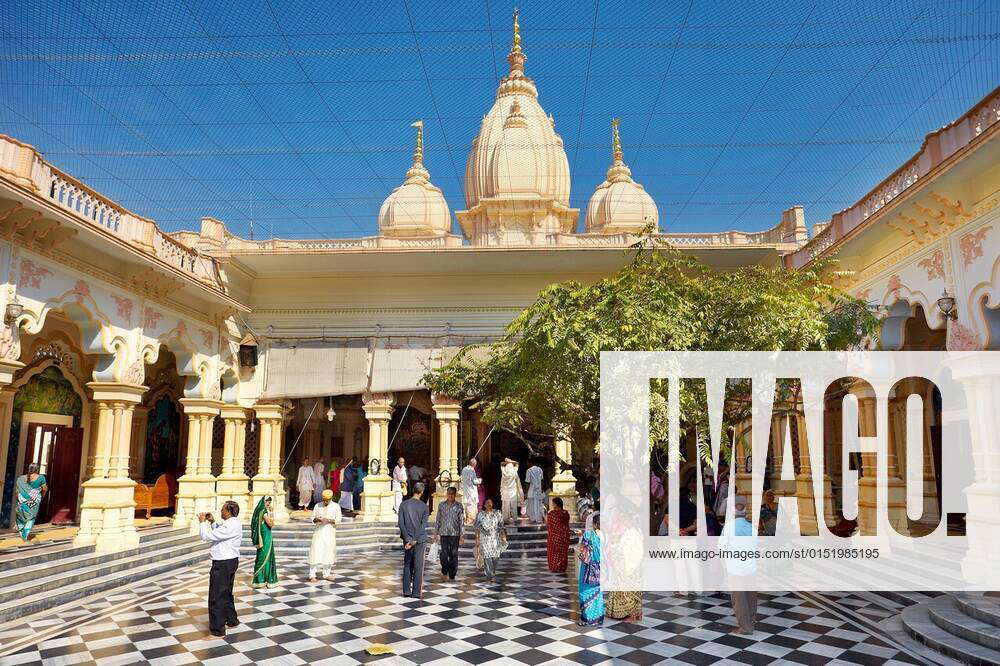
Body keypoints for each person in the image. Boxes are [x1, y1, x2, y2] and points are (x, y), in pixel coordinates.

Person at [198, 501, 242, 637]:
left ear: (228, 512)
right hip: (231, 561)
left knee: (217, 595)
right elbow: (220, 531)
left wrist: (202, 522)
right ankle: (232, 620)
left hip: (222, 563)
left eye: (223, 509)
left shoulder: (229, 526)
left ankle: (218, 629)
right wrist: (212, 522)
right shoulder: (234, 523)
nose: (221, 511)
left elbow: (206, 536)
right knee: (226, 592)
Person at [718, 496, 758, 634]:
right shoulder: (752, 527)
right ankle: (751, 623)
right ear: (745, 511)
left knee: (739, 599)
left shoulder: (728, 528)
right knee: (751, 597)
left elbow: (721, 548)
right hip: (751, 568)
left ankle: (745, 627)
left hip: (735, 569)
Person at [398, 482, 429, 598]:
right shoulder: (424, 507)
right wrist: (414, 540)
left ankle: (406, 590)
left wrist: (408, 539)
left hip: (408, 539)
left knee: (407, 564)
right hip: (419, 540)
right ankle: (416, 592)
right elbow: (423, 526)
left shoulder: (403, 505)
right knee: (418, 566)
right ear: (421, 492)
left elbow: (401, 523)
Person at [309, 489, 342, 581]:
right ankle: (312, 575)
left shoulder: (336, 506)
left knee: (328, 552)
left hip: (329, 532)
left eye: (327, 500)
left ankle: (326, 574)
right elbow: (312, 518)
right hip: (318, 532)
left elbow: (338, 519)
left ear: (331, 498)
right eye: (324, 500)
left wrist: (329, 520)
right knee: (315, 552)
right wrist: (318, 519)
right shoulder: (317, 505)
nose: (326, 502)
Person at [577, 513, 603, 626]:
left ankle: (587, 619)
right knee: (598, 592)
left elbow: (582, 552)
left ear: (594, 524)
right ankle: (597, 618)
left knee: (585, 591)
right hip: (601, 568)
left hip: (588, 569)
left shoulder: (588, 535)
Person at [434, 486, 464, 580]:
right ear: (447, 494)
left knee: (453, 554)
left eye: (452, 493)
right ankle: (444, 569)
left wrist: (462, 535)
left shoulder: (459, 506)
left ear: (455, 495)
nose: (450, 495)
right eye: (449, 493)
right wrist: (435, 533)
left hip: (455, 533)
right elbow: (438, 519)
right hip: (443, 532)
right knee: (444, 554)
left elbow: (461, 521)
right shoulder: (441, 505)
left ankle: (452, 573)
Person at [474, 498, 506, 583]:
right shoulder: (480, 514)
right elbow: (477, 527)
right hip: (485, 539)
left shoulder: (498, 513)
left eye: (490, 502)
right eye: (487, 503)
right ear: (484, 505)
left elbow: (501, 526)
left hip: (496, 538)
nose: (489, 504)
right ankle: (490, 575)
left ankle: (492, 572)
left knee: (495, 557)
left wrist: (503, 536)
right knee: (487, 557)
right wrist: (477, 538)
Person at [15, 463, 47, 541]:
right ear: (37, 469)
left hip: (22, 499)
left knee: (21, 516)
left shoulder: (21, 478)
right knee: (31, 517)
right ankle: (25, 534)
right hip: (34, 500)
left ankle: (22, 532)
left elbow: (17, 491)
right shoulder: (41, 477)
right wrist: (41, 496)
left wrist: (19, 499)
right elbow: (45, 489)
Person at [250, 496, 277, 588]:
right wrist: (272, 513)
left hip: (263, 534)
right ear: (264, 502)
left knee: (263, 555)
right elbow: (271, 524)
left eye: (269, 502)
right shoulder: (264, 511)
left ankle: (261, 579)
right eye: (268, 502)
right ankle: (262, 579)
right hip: (265, 535)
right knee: (264, 556)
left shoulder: (258, 510)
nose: (268, 504)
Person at [546, 496, 570, 573]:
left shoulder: (551, 514)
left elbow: (549, 525)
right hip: (564, 536)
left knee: (555, 553)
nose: (552, 504)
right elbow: (566, 524)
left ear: (556, 504)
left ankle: (555, 567)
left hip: (554, 537)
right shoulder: (565, 513)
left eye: (553, 503)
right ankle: (562, 567)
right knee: (562, 553)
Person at [499, 458, 523, 524]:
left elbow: (501, 463)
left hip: (505, 491)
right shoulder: (514, 471)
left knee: (505, 506)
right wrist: (511, 461)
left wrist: (507, 461)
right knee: (513, 506)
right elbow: (517, 463)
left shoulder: (503, 471)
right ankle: (515, 519)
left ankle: (505, 519)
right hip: (513, 492)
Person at [460, 457, 482, 524]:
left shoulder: (464, 469)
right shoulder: (471, 470)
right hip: (471, 491)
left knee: (467, 505)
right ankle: (470, 521)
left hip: (466, 490)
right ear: (474, 464)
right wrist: (480, 480)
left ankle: (468, 520)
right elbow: (474, 481)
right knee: (471, 505)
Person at [525, 459, 545, 524]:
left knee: (531, 506)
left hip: (531, 491)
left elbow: (528, 482)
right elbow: (542, 480)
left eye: (527, 463)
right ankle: (539, 519)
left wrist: (526, 492)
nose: (527, 465)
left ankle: (533, 519)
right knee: (539, 505)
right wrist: (541, 489)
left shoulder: (529, 470)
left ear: (530, 463)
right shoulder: (540, 470)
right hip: (538, 491)